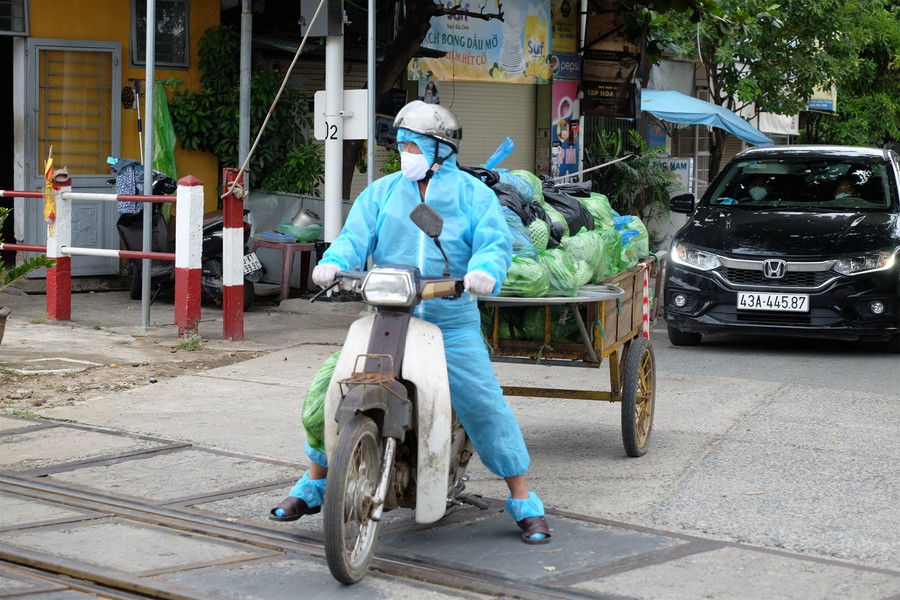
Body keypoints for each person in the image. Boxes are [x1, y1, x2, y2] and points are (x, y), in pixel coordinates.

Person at [269, 100, 551, 544]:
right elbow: (353, 238)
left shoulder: (473, 195)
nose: (404, 153)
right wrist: (334, 263)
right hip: (384, 314)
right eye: (400, 145)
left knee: (483, 403)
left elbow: (495, 245)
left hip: (449, 323)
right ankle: (315, 481)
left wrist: (484, 272)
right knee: (329, 387)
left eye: (412, 145)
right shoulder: (381, 192)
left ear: (441, 149)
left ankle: (522, 498)